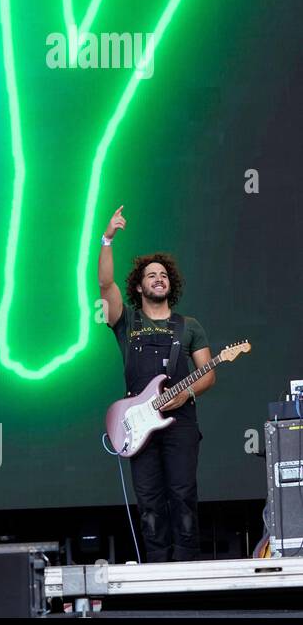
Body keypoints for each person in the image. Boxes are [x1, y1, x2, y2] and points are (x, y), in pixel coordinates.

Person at [98, 204, 215, 562]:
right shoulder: (125, 320)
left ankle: (187, 571)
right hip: (136, 422)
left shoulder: (189, 326)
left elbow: (208, 372)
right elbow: (104, 283)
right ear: (139, 284)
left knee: (182, 495)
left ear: (171, 283)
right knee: (148, 500)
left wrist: (186, 394)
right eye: (151, 274)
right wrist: (108, 238)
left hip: (181, 423)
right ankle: (157, 571)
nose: (158, 278)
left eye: (163, 274)